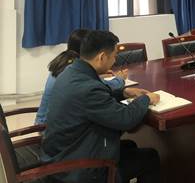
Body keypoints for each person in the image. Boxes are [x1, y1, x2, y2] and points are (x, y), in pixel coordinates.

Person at [41, 30, 161, 182]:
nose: (115, 61)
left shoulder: (71, 71)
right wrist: (146, 99)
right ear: (102, 57)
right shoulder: (88, 88)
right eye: (114, 56)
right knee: (150, 157)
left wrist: (123, 93)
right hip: (76, 170)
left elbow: (96, 98)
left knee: (129, 145)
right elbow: (125, 119)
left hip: (62, 153)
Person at [35, 29, 127, 125]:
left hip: (48, 118)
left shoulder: (65, 61)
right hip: (48, 125)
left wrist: (98, 73)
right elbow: (99, 87)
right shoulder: (72, 69)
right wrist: (120, 79)